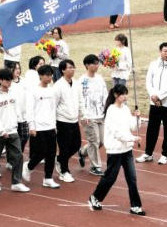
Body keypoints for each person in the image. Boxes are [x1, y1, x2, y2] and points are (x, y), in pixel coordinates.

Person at [88, 84, 145, 216]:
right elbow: (117, 133)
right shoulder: (111, 111)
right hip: (115, 151)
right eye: (122, 94)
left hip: (127, 150)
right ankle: (95, 197)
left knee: (132, 178)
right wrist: (133, 139)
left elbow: (132, 126)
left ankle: (135, 206)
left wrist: (138, 118)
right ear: (116, 95)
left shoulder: (125, 109)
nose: (125, 97)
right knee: (110, 178)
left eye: (126, 94)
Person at [137, 42, 167, 165]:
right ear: (160, 52)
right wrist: (153, 96)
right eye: (165, 51)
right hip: (154, 103)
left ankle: (165, 155)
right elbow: (148, 81)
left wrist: (159, 96)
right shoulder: (153, 64)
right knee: (152, 128)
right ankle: (148, 153)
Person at [0, 69, 28, 193]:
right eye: (7, 80)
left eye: (10, 80)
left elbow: (16, 110)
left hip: (12, 130)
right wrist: (1, 129)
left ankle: (16, 182)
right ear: (0, 80)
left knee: (18, 155)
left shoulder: (13, 93)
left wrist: (18, 122)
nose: (9, 82)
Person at [22, 65, 61, 189]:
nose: (49, 78)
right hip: (38, 127)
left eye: (51, 75)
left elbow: (53, 109)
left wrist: (54, 124)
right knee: (41, 152)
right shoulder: (33, 90)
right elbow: (29, 109)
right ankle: (28, 167)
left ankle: (48, 178)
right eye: (47, 75)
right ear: (40, 75)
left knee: (51, 153)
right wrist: (31, 126)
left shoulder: (52, 91)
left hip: (50, 126)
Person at [79, 54, 108, 176]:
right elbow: (80, 98)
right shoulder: (82, 81)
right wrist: (83, 115)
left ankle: (83, 152)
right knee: (94, 141)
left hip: (101, 114)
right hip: (88, 116)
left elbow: (105, 94)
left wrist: (107, 109)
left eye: (97, 64)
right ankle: (95, 166)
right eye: (94, 64)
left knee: (102, 141)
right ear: (87, 65)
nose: (97, 66)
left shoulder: (100, 78)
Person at [54, 59, 83, 182]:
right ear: (63, 70)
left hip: (74, 120)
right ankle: (64, 171)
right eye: (70, 67)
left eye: (73, 67)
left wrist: (83, 115)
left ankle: (60, 159)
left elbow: (80, 100)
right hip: (62, 121)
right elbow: (53, 105)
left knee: (76, 144)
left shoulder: (77, 84)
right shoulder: (58, 86)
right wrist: (54, 123)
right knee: (64, 147)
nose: (72, 69)